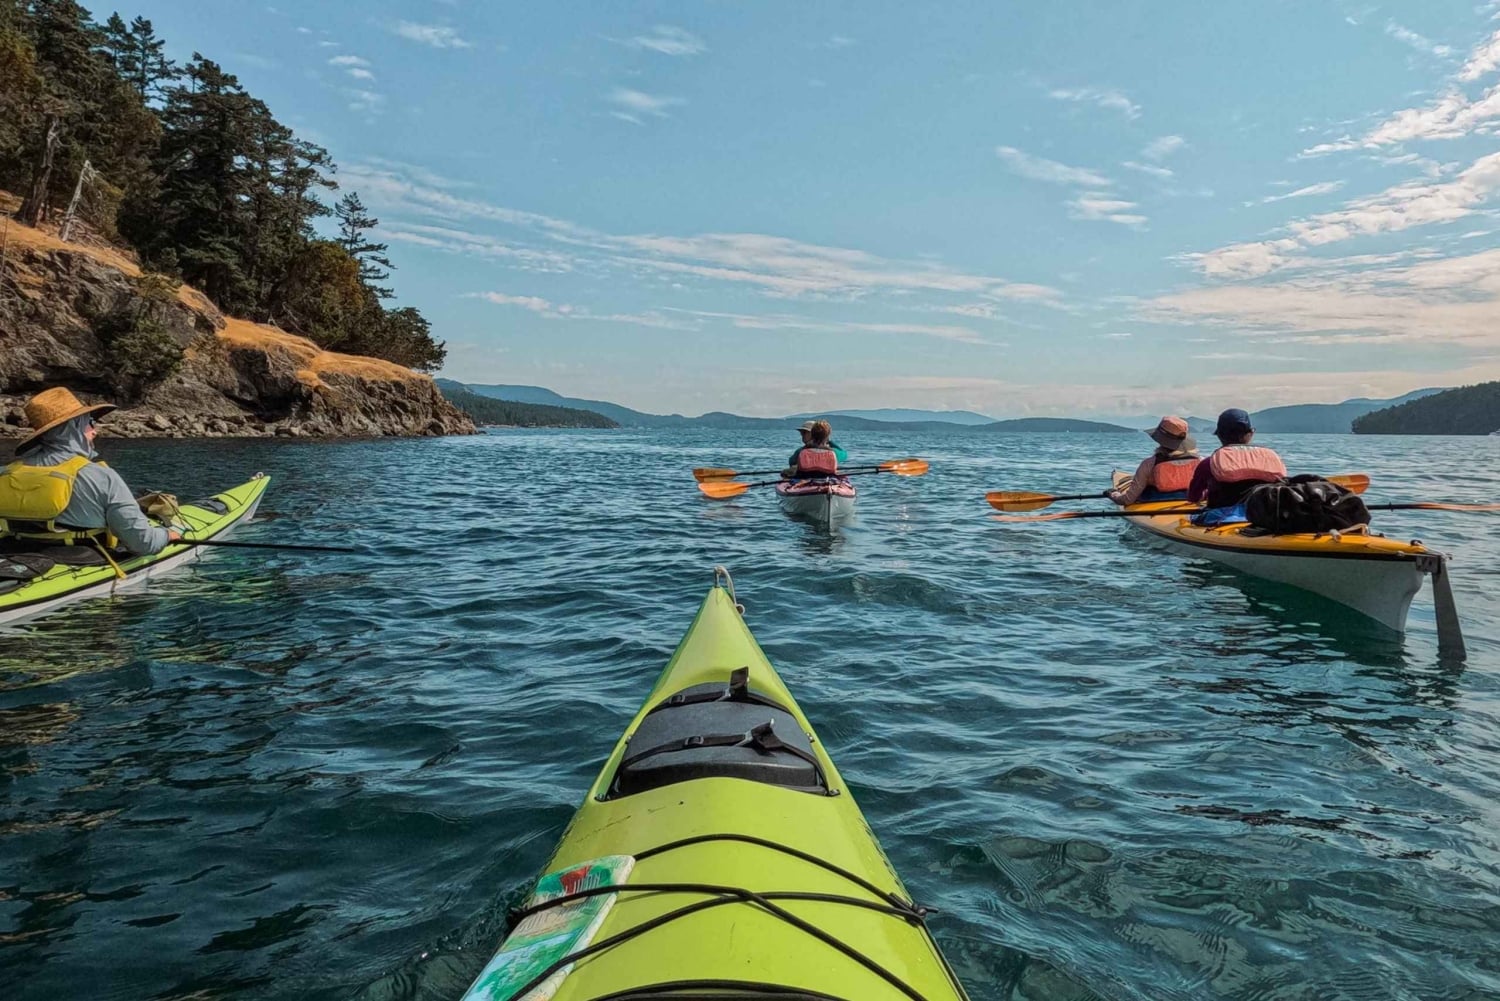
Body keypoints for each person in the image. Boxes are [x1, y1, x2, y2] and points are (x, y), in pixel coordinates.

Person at [0, 387, 181, 555]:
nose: (95, 431)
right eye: (90, 423)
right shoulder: (102, 477)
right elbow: (143, 543)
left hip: (13, 553)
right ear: (74, 428)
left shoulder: (5, 473)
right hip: (81, 557)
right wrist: (166, 535)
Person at [1187, 407, 1288, 512]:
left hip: (1220, 517)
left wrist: (1207, 494)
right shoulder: (1270, 458)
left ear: (1219, 435)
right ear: (1250, 434)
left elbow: (1193, 497)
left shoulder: (1209, 463)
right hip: (1264, 516)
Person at [1108, 416, 1199, 505]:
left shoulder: (1149, 464)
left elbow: (1127, 500)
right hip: (1191, 501)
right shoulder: (1200, 461)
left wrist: (1113, 494)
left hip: (1155, 502)